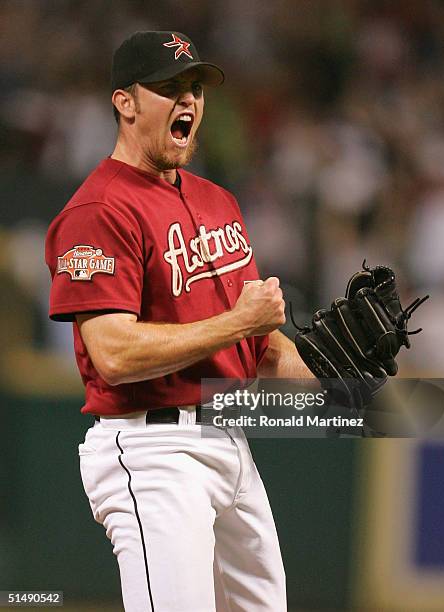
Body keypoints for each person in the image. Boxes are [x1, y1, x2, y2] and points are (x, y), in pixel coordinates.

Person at [45, 30, 312, 612]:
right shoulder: (97, 210)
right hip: (152, 448)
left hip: (228, 435)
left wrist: (339, 383)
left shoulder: (218, 200)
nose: (188, 100)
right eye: (169, 87)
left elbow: (261, 347)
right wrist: (239, 324)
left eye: (195, 87)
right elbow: (112, 354)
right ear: (126, 101)